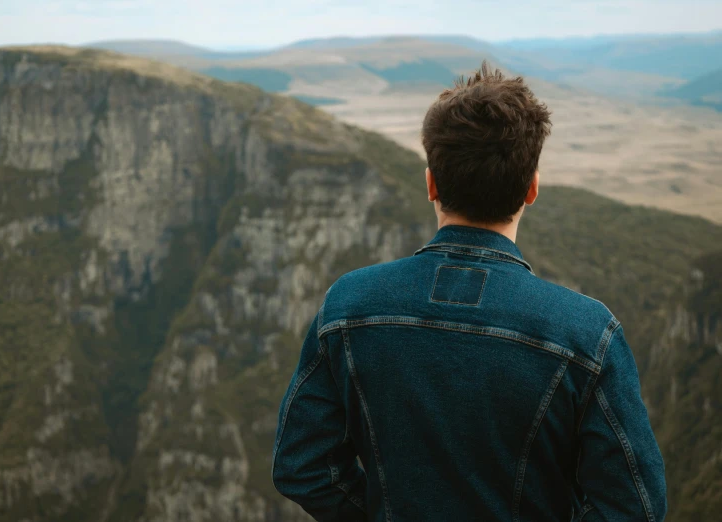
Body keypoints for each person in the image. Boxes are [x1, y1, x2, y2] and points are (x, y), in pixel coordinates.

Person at [271, 62, 667, 522]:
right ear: (532, 188)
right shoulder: (588, 335)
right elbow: (634, 507)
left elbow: (303, 467)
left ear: (431, 184)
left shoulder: (347, 306)